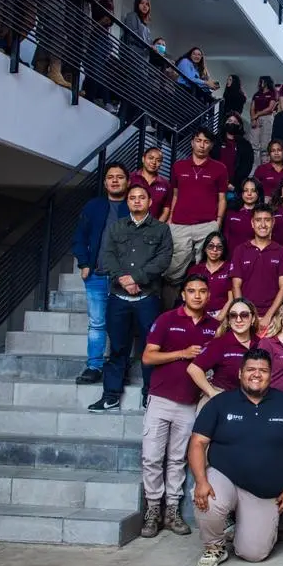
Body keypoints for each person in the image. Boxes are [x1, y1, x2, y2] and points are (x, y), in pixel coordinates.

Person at [190, 349, 283, 566]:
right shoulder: (220, 403)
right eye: (251, 369)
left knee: (254, 553)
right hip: (224, 476)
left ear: (270, 375)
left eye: (263, 370)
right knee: (208, 499)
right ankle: (214, 546)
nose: (256, 375)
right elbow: (198, 443)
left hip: (263, 490)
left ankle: (239, 529)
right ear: (240, 373)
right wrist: (200, 480)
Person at [139, 275, 219, 538]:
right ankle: (153, 510)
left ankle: (171, 511)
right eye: (191, 291)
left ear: (209, 295)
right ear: (183, 294)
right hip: (161, 399)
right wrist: (181, 353)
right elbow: (148, 356)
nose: (197, 295)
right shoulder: (167, 319)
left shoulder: (214, 327)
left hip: (189, 403)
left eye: (202, 291)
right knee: (152, 457)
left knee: (176, 459)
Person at [91, 183, 172, 409]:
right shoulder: (116, 228)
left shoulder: (161, 229)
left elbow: (163, 260)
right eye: (132, 197)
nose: (137, 201)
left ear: (149, 201)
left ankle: (150, 395)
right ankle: (111, 395)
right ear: (127, 202)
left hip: (148, 298)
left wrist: (136, 278)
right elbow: (107, 257)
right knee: (117, 347)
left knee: (151, 348)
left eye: (141, 197)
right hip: (118, 297)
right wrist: (123, 280)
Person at [73, 163, 129, 385]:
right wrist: (84, 263)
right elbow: (79, 237)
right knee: (97, 323)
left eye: (119, 177)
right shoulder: (93, 206)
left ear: (128, 181)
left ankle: (118, 366)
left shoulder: (133, 206)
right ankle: (94, 366)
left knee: (121, 323)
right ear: (105, 182)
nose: (115, 180)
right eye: (110, 177)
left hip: (122, 279)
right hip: (96, 275)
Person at [165, 128, 228, 292]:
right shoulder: (179, 166)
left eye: (206, 142)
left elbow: (222, 198)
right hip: (180, 224)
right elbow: (175, 195)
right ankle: (170, 310)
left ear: (211, 145)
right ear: (192, 142)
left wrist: (218, 222)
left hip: (207, 225)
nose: (202, 145)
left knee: (205, 268)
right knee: (174, 270)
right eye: (199, 141)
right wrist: (171, 218)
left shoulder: (219, 168)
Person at [229, 205, 283, 335]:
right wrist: (245, 314)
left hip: (273, 317)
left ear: (273, 222)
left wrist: (269, 316)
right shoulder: (240, 250)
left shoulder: (282, 252)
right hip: (246, 317)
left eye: (267, 220)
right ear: (252, 223)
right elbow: (236, 286)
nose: (263, 224)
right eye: (258, 220)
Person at [187, 297, 259, 398]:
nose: (238, 320)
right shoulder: (220, 343)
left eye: (244, 315)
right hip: (223, 395)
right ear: (229, 320)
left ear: (253, 319)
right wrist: (212, 393)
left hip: (251, 398)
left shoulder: (261, 344)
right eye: (233, 315)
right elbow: (193, 368)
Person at [186, 231, 234, 321]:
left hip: (223, 315)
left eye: (219, 247)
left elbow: (231, 299)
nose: (214, 250)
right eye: (211, 246)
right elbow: (189, 296)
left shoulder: (229, 268)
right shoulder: (196, 269)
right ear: (205, 248)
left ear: (223, 250)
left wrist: (219, 318)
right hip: (198, 314)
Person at [133, 146, 172, 223]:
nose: (154, 162)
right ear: (143, 159)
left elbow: (166, 209)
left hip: (153, 229)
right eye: (150, 158)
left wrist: (156, 227)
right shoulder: (131, 178)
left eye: (158, 160)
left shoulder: (166, 184)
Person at [222, 179, 262, 253]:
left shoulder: (263, 215)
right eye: (246, 190)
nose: (249, 194)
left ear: (258, 193)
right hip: (232, 257)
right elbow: (225, 237)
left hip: (254, 257)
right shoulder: (231, 212)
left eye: (253, 191)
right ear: (242, 193)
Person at [249, 76, 277, 161]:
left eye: (262, 81)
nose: (260, 83)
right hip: (256, 118)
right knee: (254, 145)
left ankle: (264, 166)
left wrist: (257, 114)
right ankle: (253, 169)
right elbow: (252, 108)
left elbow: (270, 109)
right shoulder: (257, 94)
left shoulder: (272, 93)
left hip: (267, 118)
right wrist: (253, 119)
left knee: (265, 144)